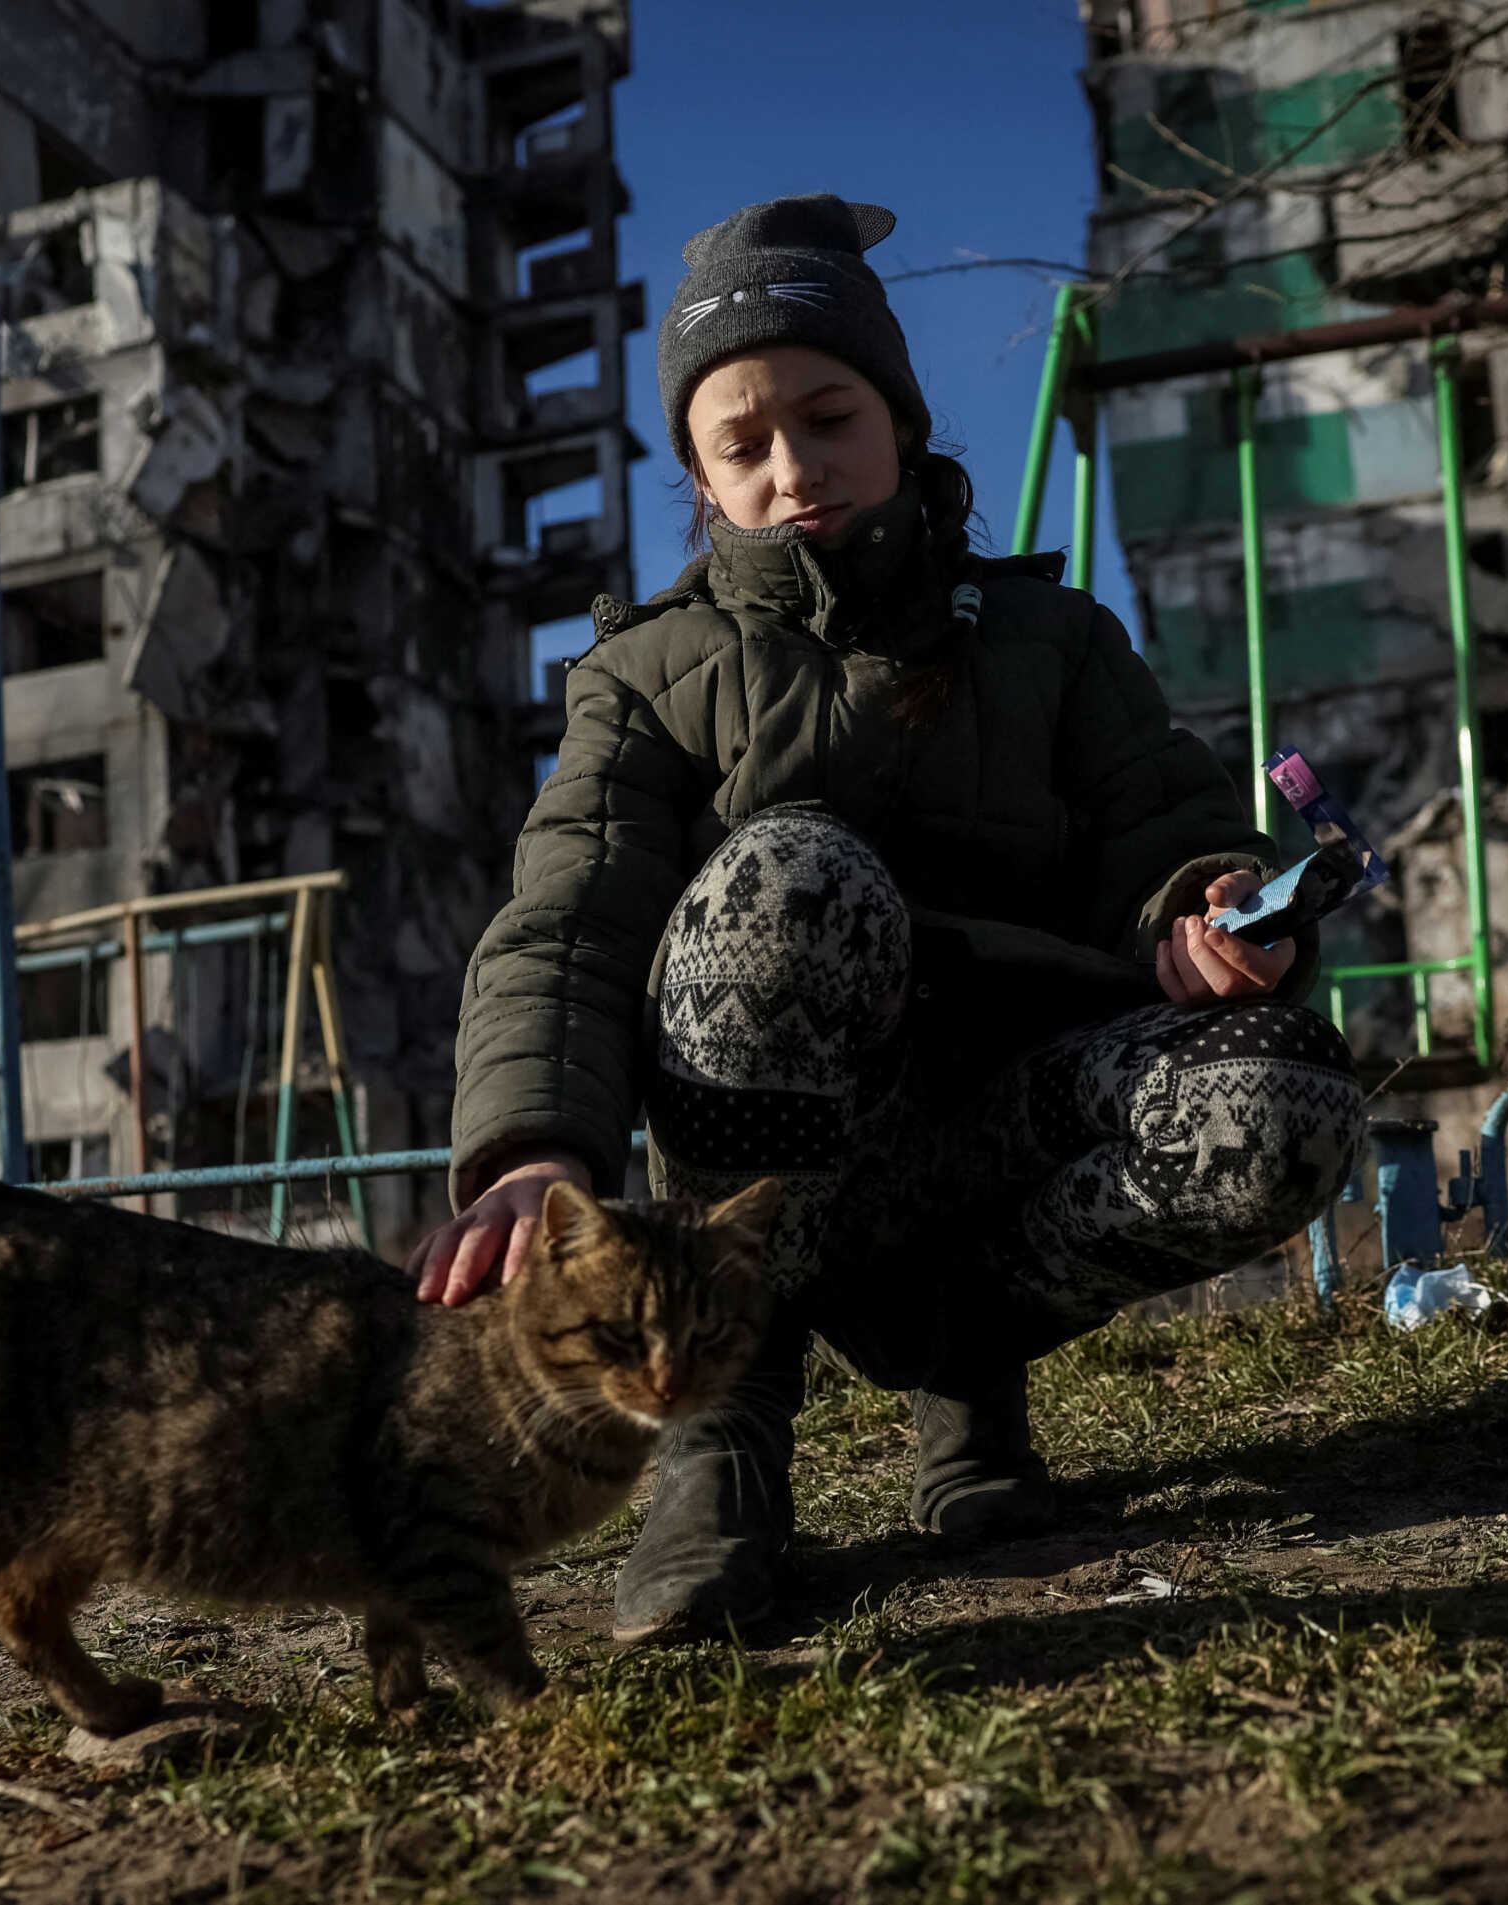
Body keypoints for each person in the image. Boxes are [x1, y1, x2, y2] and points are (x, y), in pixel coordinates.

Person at [408, 195, 1364, 1644]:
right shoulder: (646, 677)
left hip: (1004, 1127)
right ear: (703, 477)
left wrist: (1208, 908)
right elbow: (567, 918)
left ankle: (968, 1381)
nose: (794, 468)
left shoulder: (1055, 640)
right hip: (761, 1193)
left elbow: (1165, 828)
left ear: (901, 420)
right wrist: (536, 1143)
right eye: (744, 443)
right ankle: (720, 1457)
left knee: (1288, 1099)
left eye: (829, 415)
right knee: (790, 870)